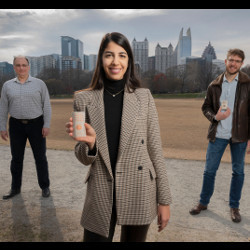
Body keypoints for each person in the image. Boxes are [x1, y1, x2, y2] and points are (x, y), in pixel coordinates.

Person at [65, 32, 172, 242]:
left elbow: (155, 150)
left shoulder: (144, 97)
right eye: (109, 55)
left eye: (122, 55)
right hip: (101, 189)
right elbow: (82, 156)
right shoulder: (83, 99)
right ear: (101, 59)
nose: (116, 62)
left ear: (129, 60)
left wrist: (164, 200)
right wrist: (91, 145)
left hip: (139, 187)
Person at [189, 49, 250, 223]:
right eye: (231, 60)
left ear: (241, 63)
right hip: (218, 134)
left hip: (240, 135)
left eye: (238, 61)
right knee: (209, 171)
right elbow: (205, 107)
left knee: (238, 172)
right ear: (225, 61)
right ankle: (203, 202)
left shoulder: (248, 84)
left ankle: (234, 207)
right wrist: (215, 117)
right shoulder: (214, 85)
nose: (234, 63)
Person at [0, 55, 52, 199]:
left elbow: (46, 105)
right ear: (14, 67)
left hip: (36, 124)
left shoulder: (39, 83)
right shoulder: (7, 85)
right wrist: (2, 127)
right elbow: (3, 107)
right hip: (16, 125)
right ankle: (15, 188)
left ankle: (45, 186)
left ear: (28, 67)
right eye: (18, 65)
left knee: (40, 157)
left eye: (24, 65)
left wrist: (46, 124)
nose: (21, 68)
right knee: (16, 158)